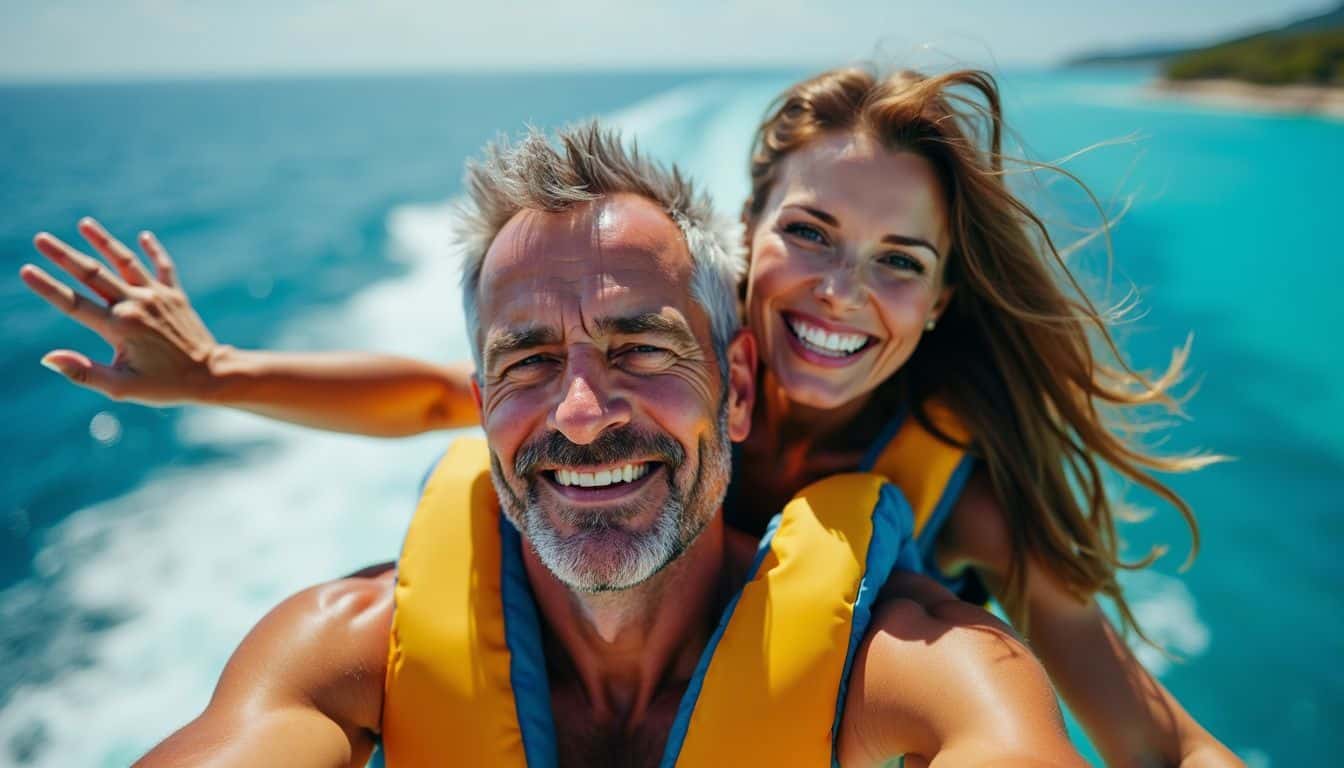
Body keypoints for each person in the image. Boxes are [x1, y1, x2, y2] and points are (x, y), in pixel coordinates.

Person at [21, 67, 1239, 765]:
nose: (842, 291)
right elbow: (433, 395)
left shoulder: (952, 519)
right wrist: (220, 373)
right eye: (811, 234)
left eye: (899, 262)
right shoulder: (628, 383)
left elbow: (1145, 742)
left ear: (937, 305)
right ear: (752, 234)